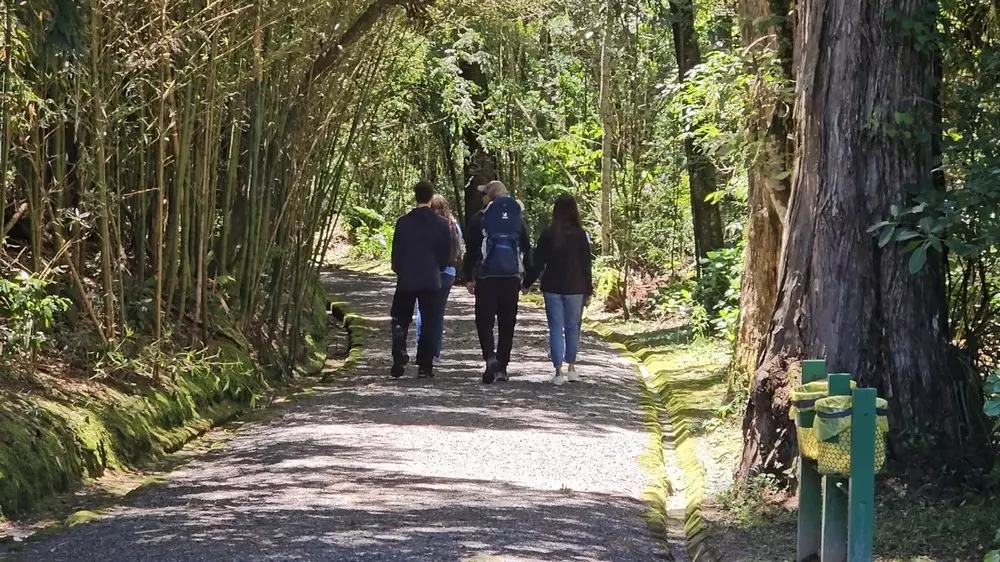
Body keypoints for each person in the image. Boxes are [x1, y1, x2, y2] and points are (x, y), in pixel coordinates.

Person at [463, 180, 532, 384]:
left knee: (484, 321)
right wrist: (526, 279)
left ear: (490, 197)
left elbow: (472, 250)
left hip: (487, 278)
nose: (482, 198)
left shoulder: (480, 219)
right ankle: (502, 367)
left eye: (484, 194)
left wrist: (468, 277)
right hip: (511, 278)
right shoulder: (517, 220)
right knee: (506, 323)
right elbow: (527, 249)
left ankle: (490, 358)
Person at [522, 194, 593, 386]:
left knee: (555, 328)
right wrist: (589, 290)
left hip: (552, 286)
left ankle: (558, 372)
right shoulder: (581, 235)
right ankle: (571, 368)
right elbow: (587, 265)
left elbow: (537, 263)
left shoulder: (548, 233)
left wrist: (526, 283)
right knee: (572, 328)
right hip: (575, 287)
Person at [389, 181, 453, 379]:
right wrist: (438, 268)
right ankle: (425, 365)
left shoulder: (403, 222)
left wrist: (399, 269)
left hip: (407, 278)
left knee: (400, 317)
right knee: (430, 321)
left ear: (415, 196)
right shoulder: (441, 224)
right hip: (431, 278)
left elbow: (396, 252)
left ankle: (399, 353)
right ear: (430, 196)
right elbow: (446, 254)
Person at [415, 194, 464, 360]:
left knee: (422, 311)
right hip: (448, 272)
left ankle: (422, 348)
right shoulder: (454, 226)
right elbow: (460, 250)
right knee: (438, 312)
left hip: (426, 272)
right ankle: (435, 350)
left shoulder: (424, 225)